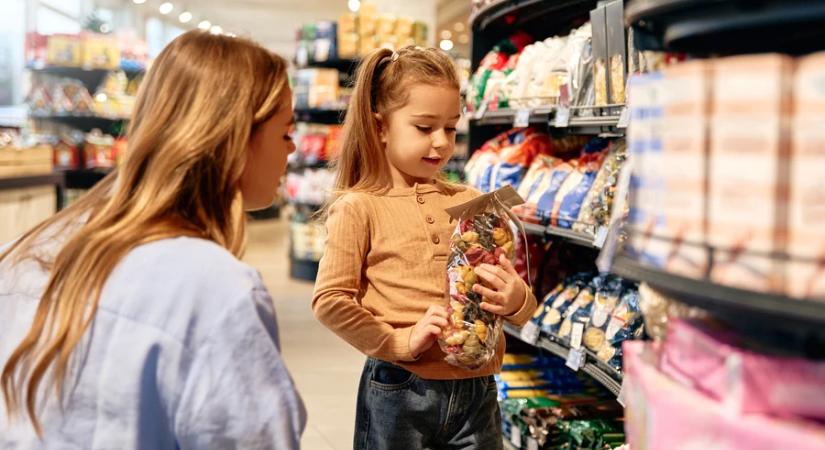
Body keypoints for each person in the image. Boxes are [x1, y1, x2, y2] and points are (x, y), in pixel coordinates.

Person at [0, 31, 305, 449]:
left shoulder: (28, 248)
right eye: (285, 133)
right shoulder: (215, 287)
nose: (292, 150)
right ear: (236, 138)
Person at [312, 46, 537, 450]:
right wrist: (398, 342)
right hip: (400, 388)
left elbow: (514, 290)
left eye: (450, 128)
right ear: (380, 126)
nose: (441, 142)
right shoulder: (359, 206)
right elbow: (331, 300)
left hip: (478, 390)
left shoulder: (473, 202)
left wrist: (517, 298)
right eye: (424, 127)